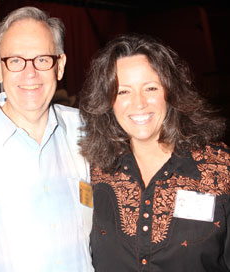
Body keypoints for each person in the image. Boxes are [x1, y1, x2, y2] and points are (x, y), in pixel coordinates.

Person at [0, 6, 94, 272]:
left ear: (60, 66)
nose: (30, 74)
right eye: (16, 61)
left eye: (42, 59)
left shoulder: (84, 129)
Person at [79, 33, 230, 271]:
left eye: (150, 88)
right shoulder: (96, 168)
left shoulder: (220, 168)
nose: (139, 103)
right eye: (123, 91)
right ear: (108, 101)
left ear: (170, 91)